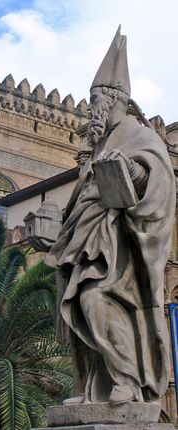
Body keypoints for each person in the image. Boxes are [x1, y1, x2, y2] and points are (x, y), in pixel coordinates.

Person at [46, 27, 176, 405]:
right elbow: (81, 194)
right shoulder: (101, 142)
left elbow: (159, 180)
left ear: (112, 99)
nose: (91, 108)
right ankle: (91, 392)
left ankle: (129, 380)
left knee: (92, 298)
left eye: (95, 100)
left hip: (118, 246)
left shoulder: (139, 135)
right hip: (84, 239)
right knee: (78, 310)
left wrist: (133, 175)